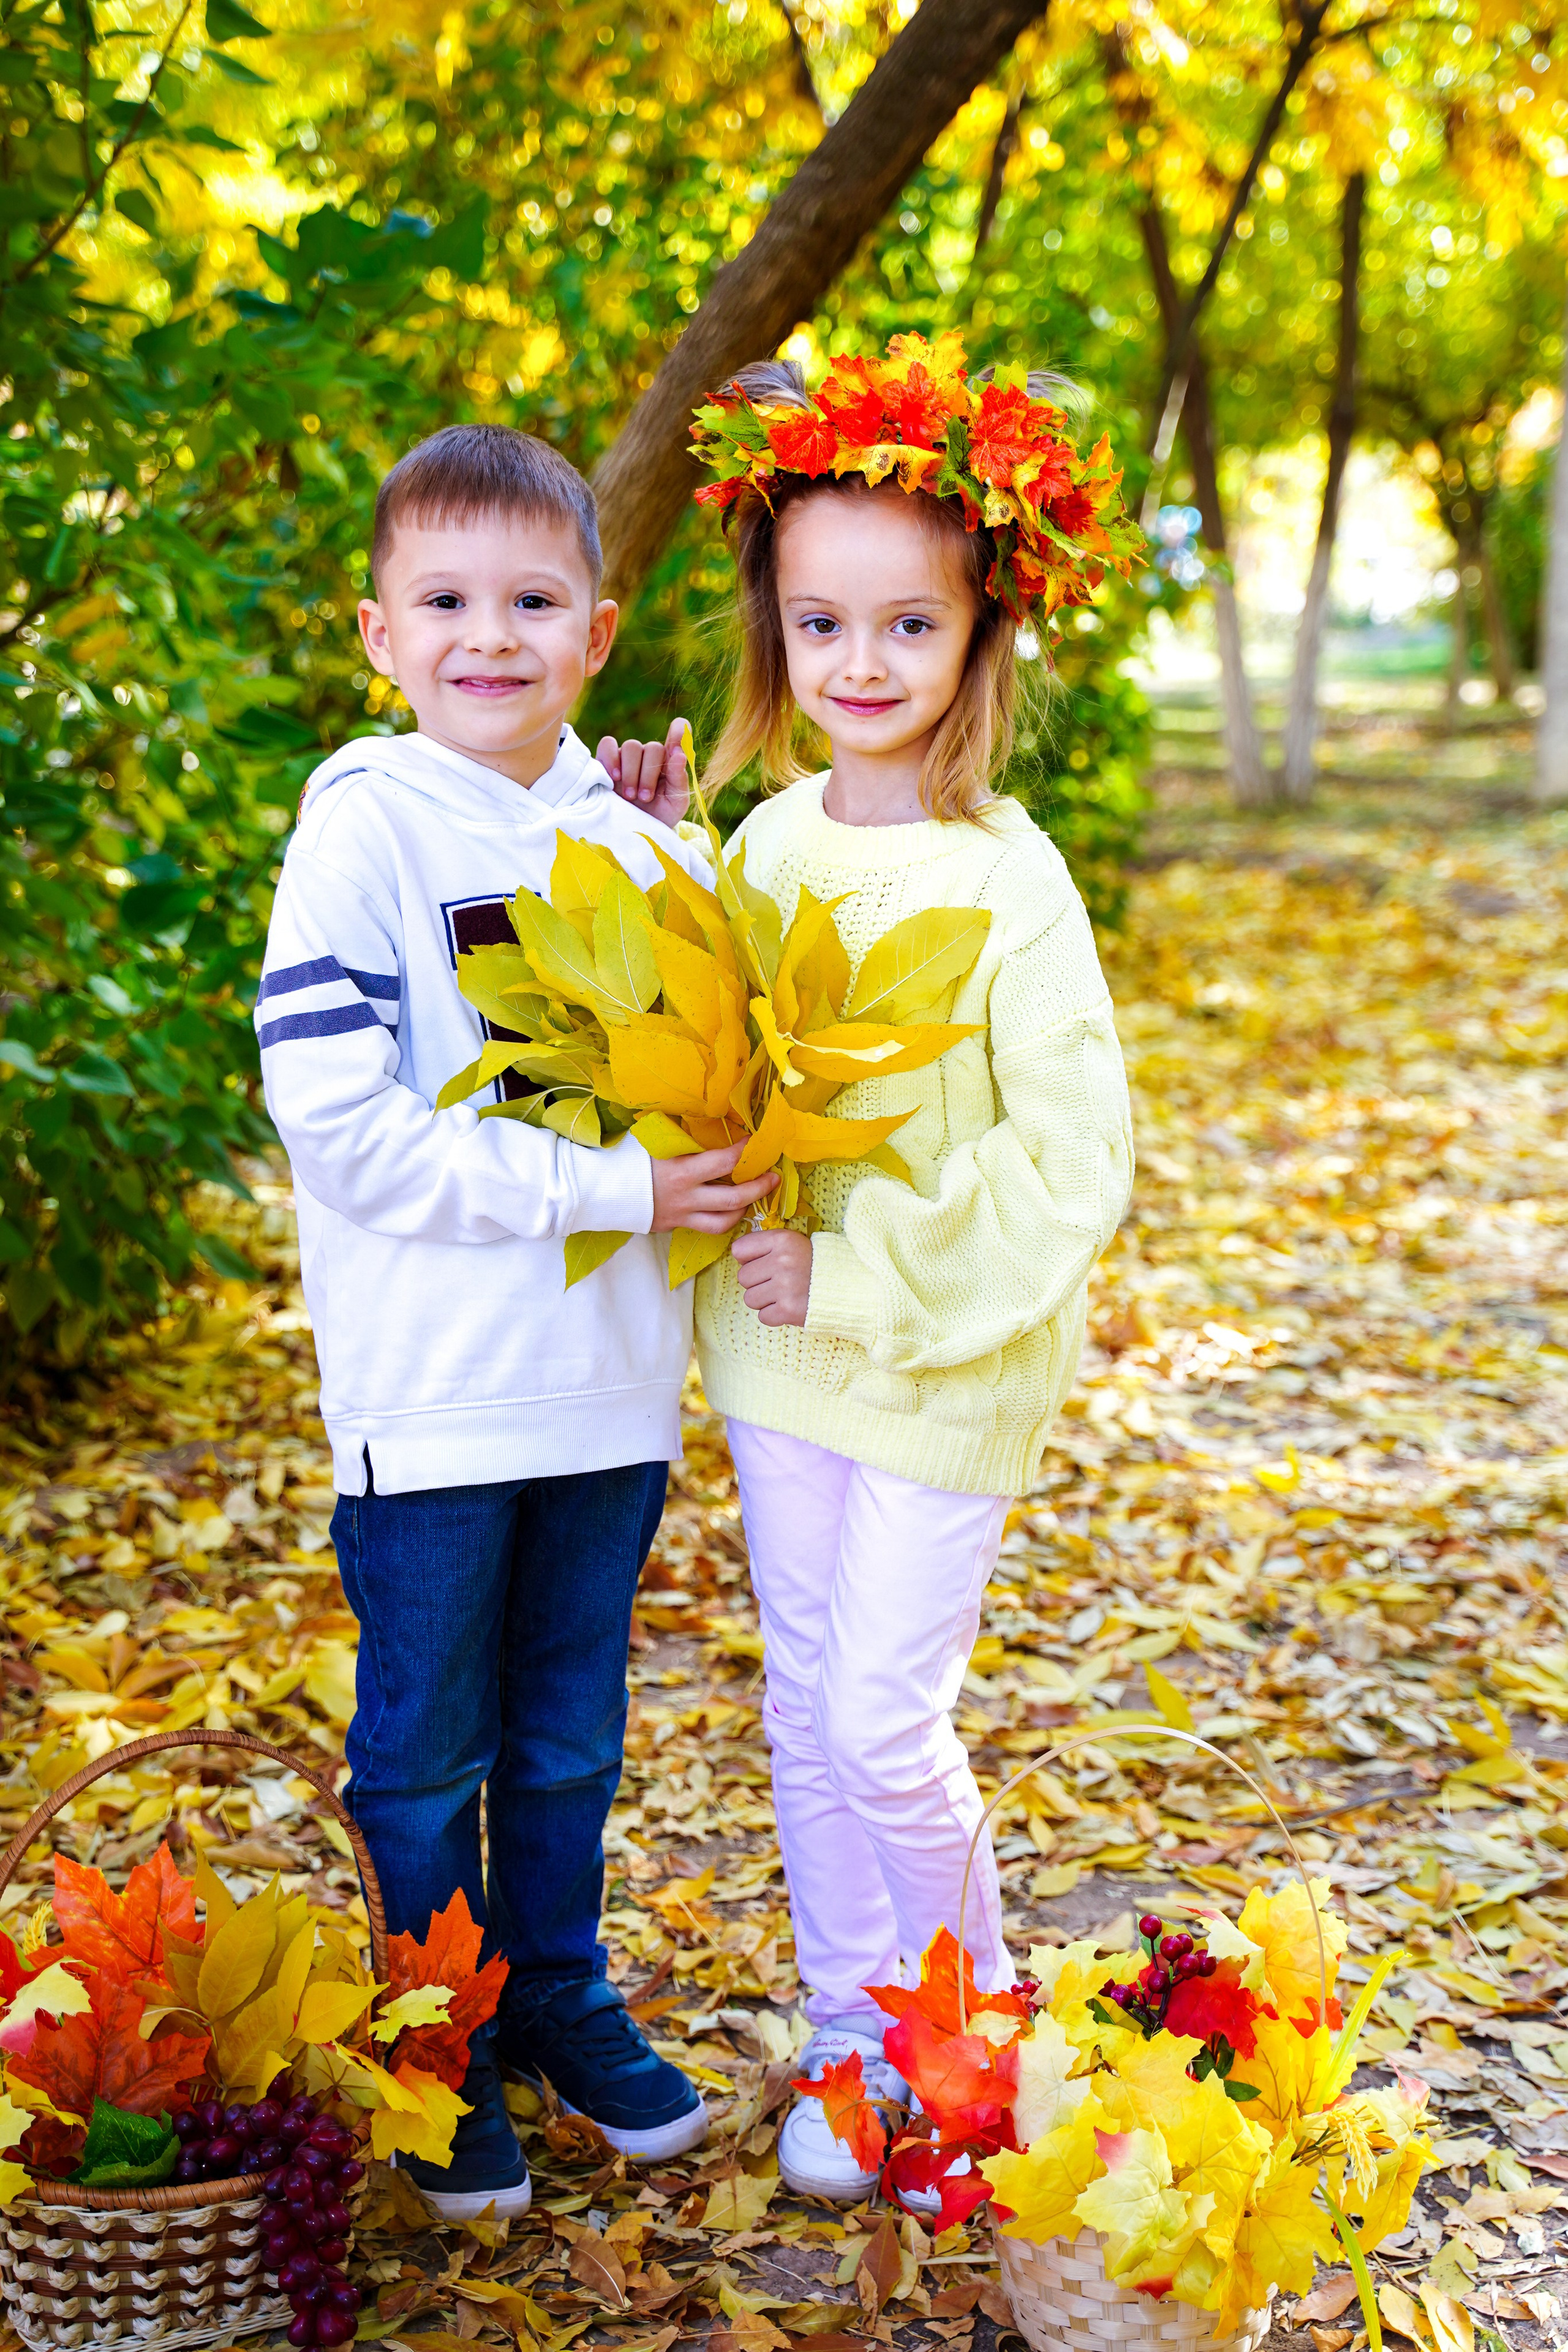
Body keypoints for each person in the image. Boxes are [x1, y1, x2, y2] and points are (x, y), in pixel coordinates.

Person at [256, 423, 773, 2221]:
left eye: (535, 602)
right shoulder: (364, 828)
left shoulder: (632, 837)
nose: (493, 636)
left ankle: (553, 1990)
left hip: (608, 1388)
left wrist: (683, 843)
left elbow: (715, 1050)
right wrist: (605, 1193)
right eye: (447, 602)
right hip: (437, 1396)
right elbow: (339, 1121)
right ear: (380, 636)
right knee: (424, 1753)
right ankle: (441, 2040)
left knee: (567, 1738)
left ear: (598, 633)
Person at [678, 339, 1138, 2200]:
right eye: (822, 625)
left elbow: (1072, 1162)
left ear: (981, 633)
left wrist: (860, 1277)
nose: (860, 664)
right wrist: (641, 849)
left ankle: (972, 2034)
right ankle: (853, 2042)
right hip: (774, 1353)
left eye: (908, 626)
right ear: (775, 632)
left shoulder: (1011, 879)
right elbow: (708, 1056)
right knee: (804, 1702)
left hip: (944, 1354)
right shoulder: (763, 846)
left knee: (884, 1711)